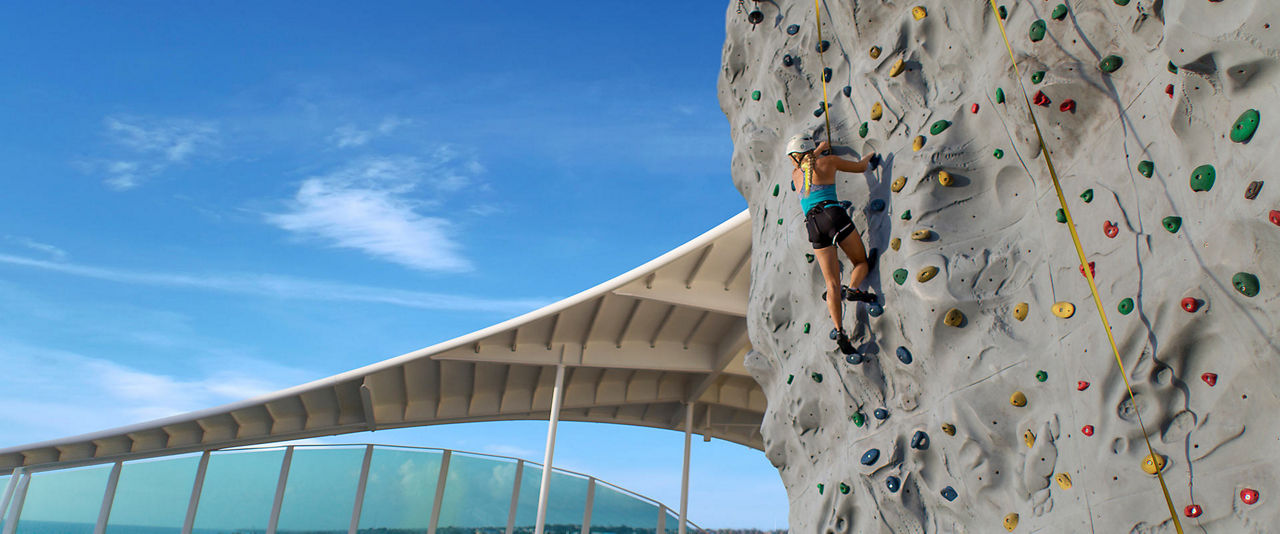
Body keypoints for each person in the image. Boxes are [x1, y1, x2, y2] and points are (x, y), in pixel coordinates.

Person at [787, 134, 877, 355]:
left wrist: (817, 150)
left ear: (795, 158)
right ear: (811, 150)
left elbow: (807, 164)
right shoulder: (830, 161)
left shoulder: (797, 174)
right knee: (860, 261)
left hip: (813, 225)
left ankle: (839, 331)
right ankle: (855, 289)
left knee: (832, 285)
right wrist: (870, 155)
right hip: (832, 214)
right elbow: (860, 167)